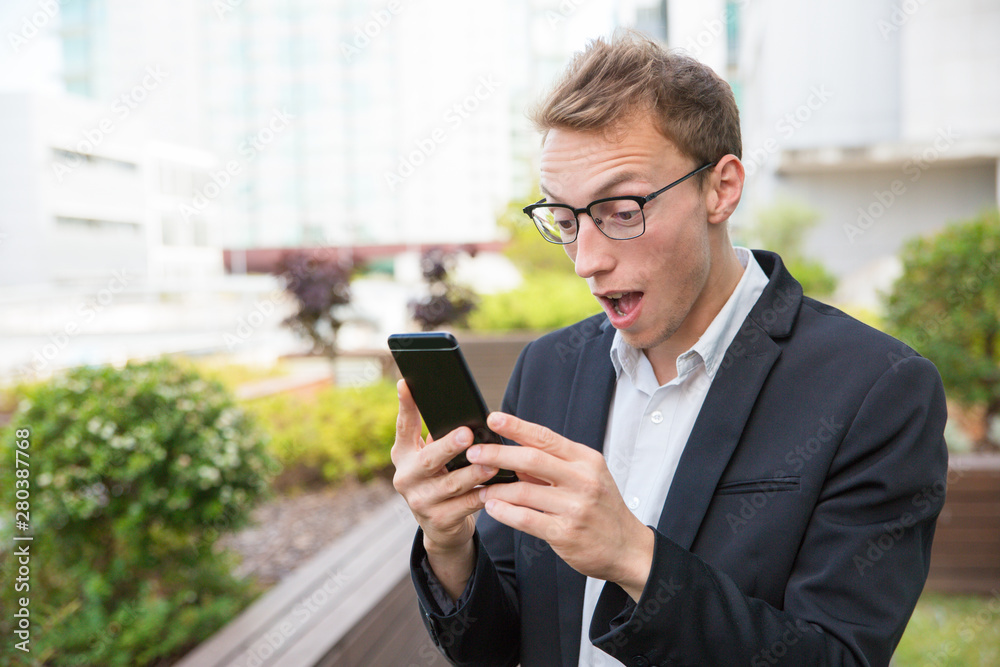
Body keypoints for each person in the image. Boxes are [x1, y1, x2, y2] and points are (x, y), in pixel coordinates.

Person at [391, 31, 948, 667]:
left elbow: (837, 657)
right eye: (566, 221)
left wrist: (633, 556)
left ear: (722, 188)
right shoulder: (548, 369)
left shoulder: (876, 388)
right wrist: (448, 541)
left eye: (622, 210)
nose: (587, 262)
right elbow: (498, 645)